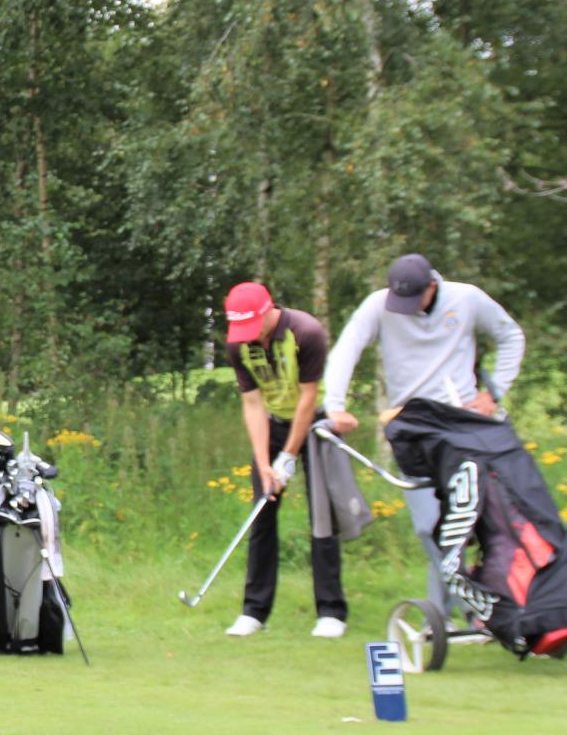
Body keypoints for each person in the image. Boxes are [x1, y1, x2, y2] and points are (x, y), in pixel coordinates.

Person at [322, 253, 527, 605]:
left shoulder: (467, 298)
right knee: (428, 528)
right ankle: (467, 610)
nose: (406, 308)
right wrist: (335, 405)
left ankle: (473, 610)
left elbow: (511, 336)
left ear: (432, 285)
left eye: (414, 298)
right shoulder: (379, 305)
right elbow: (346, 349)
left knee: (470, 525)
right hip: (413, 430)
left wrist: (492, 394)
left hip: (463, 427)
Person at [220, 281, 347, 639]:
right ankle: (254, 612)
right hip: (273, 424)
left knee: (322, 517)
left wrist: (289, 456)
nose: (249, 334)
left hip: (316, 425)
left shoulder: (306, 333)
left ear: (268, 311)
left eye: (252, 325)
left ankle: (331, 612)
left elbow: (308, 399)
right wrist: (265, 462)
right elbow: (252, 403)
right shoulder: (238, 344)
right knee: (262, 513)